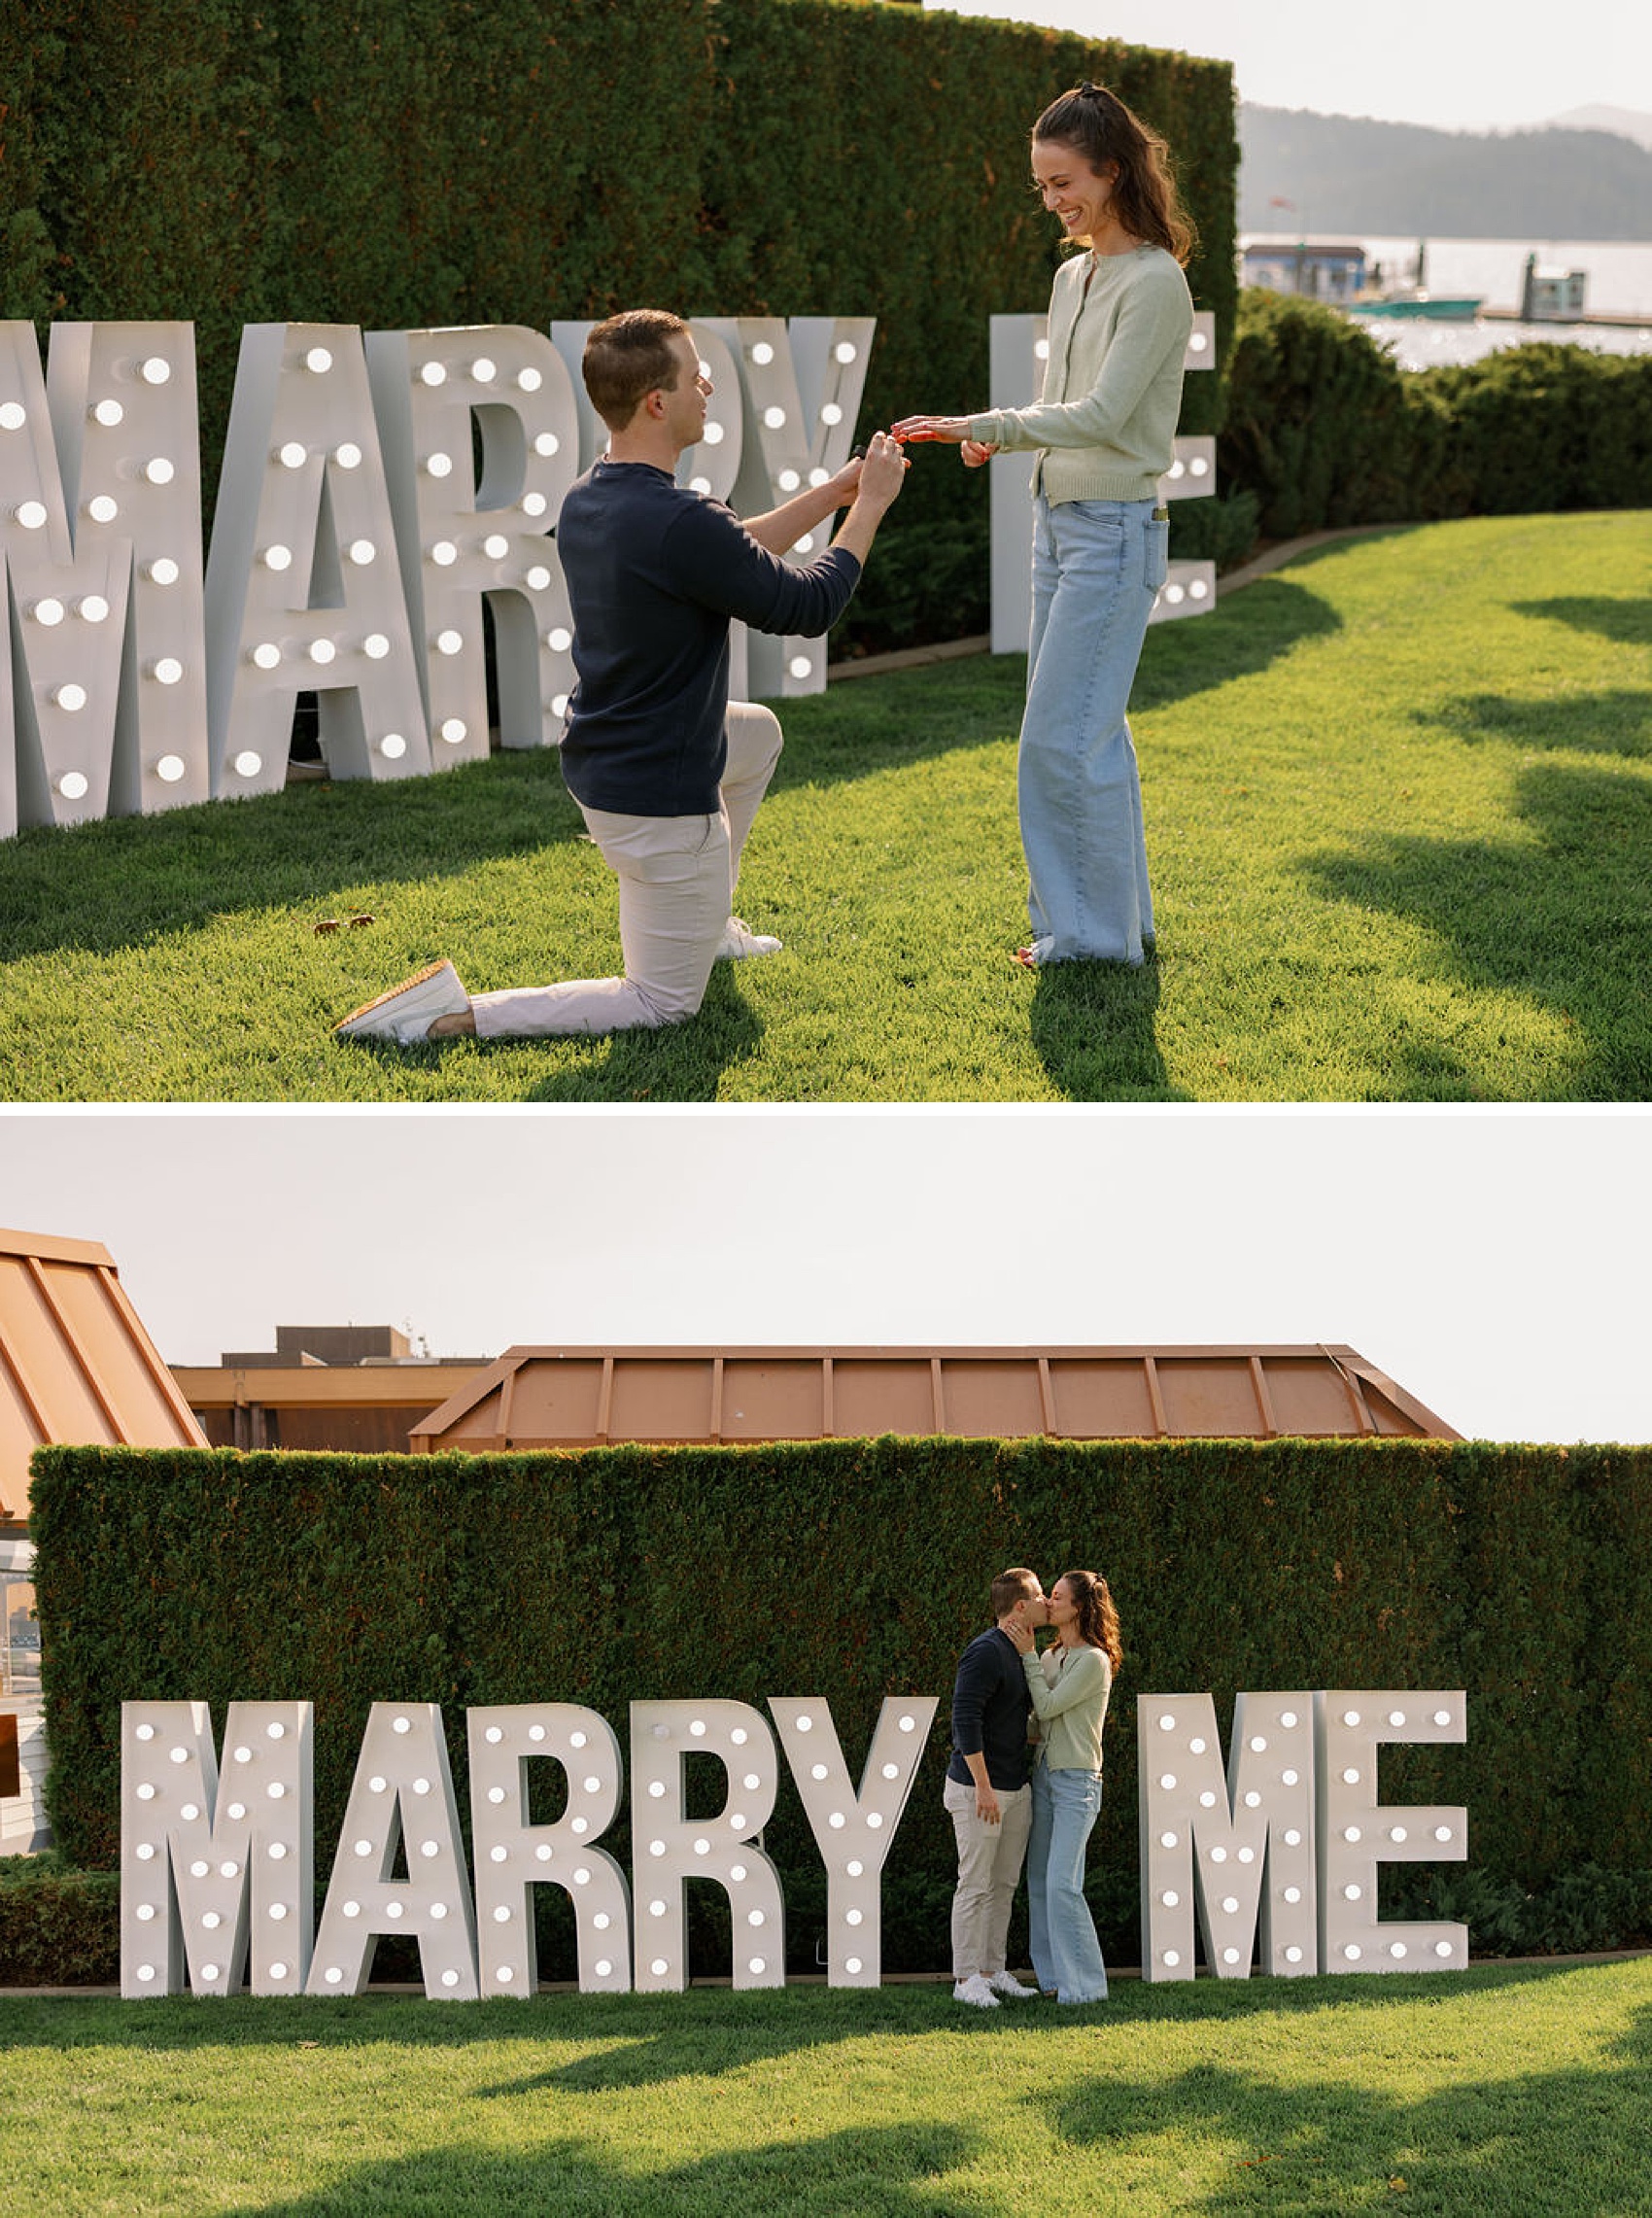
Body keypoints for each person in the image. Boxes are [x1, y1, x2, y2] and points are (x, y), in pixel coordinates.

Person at [335, 309, 909, 1046]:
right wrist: (872, 507)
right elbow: (806, 604)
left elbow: (730, 555)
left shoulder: (591, 497)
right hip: (660, 800)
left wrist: (834, 495)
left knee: (757, 735)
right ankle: (447, 1016)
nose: (708, 386)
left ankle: (709, 924)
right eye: (693, 375)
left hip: (605, 764)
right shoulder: (678, 520)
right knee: (663, 1003)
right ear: (657, 403)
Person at [893, 81, 1195, 970]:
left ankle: (1089, 938)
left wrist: (987, 427)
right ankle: (1112, 927)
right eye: (1043, 187)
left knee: (1063, 738)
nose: (1054, 202)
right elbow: (1064, 407)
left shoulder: (1155, 282)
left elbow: (1103, 416)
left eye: (1066, 182)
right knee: (1084, 732)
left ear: (1111, 171)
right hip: (1059, 524)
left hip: (1115, 529)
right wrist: (1012, 444)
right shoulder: (1074, 276)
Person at [1003, 1568, 1120, 2004]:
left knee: (1063, 1884)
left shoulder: (1093, 1660)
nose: (1049, 1602)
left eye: (1057, 1596)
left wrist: (1028, 1656)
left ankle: (1086, 1988)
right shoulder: (1053, 1657)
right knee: (1039, 1880)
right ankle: (1052, 1980)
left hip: (1077, 1783)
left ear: (1079, 1607)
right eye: (1048, 1595)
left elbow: (1048, 1706)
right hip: (1046, 1777)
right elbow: (1038, 1722)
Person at [944, 1566, 1049, 2008]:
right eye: (1042, 1595)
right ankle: (966, 1979)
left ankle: (992, 1970)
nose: (1048, 1602)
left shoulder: (1022, 1651)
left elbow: (1010, 1720)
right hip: (978, 1791)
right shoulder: (985, 1652)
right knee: (975, 1884)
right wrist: (983, 1787)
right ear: (1021, 1606)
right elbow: (963, 1720)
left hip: (1015, 1789)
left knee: (1003, 1884)